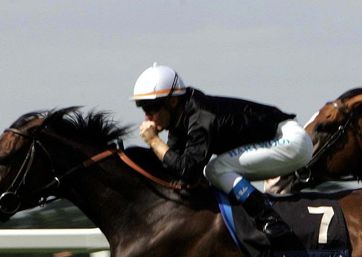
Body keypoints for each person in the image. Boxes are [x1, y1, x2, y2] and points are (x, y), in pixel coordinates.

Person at [132, 63, 314, 241]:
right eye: (144, 109)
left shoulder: (201, 115)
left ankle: (269, 218)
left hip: (290, 140)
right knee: (214, 171)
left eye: (151, 109)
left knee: (214, 169)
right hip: (281, 141)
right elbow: (172, 167)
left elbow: (188, 171)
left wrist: (154, 141)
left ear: (172, 102)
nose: (147, 117)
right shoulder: (181, 118)